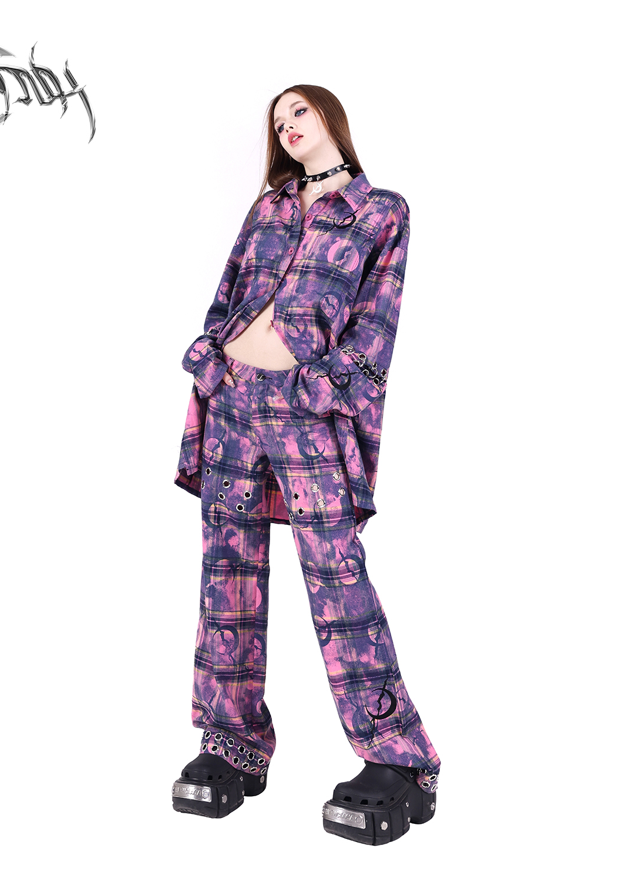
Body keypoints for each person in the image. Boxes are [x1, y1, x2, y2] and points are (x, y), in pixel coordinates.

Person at [171, 84, 441, 846]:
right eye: (278, 118)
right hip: (232, 402)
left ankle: (400, 759)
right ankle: (232, 744)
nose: (287, 124)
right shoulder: (268, 209)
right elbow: (228, 294)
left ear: (330, 118)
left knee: (336, 579)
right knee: (226, 576)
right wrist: (211, 358)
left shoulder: (381, 212)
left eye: (300, 111)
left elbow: (376, 329)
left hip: (306, 408)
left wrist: (317, 387)